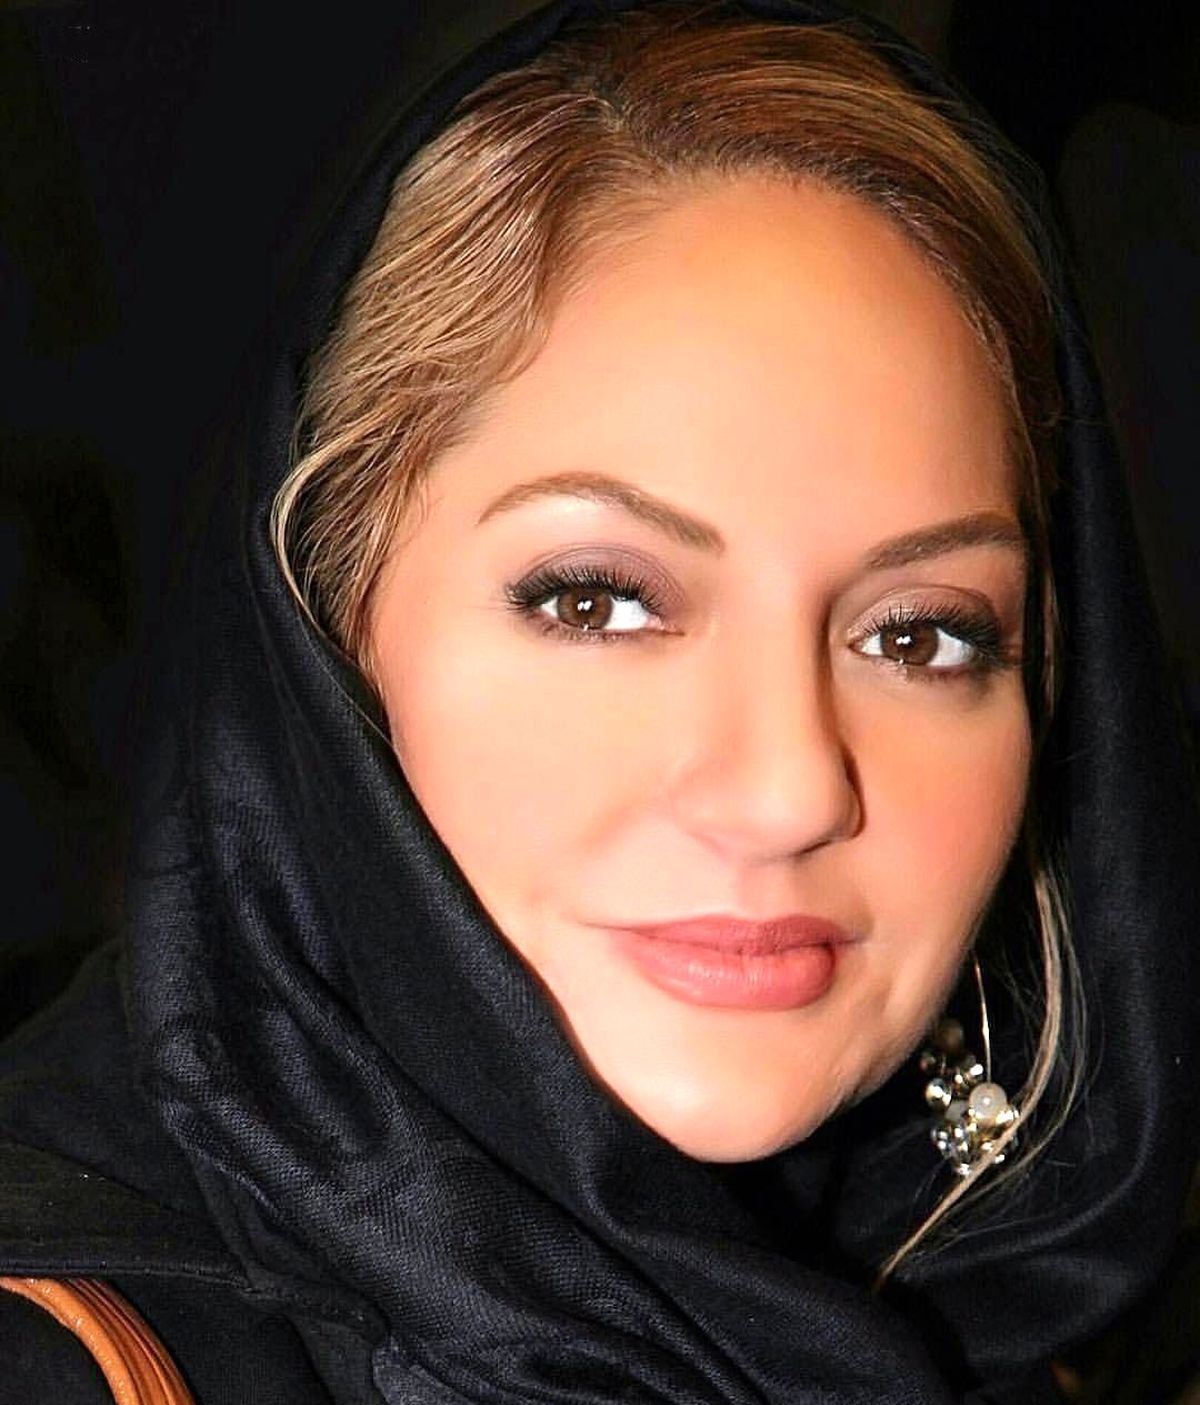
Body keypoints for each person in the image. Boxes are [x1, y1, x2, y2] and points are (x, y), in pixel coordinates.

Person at [1, 1, 1197, 1401]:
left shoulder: (1041, 1314)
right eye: (598, 601)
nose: (789, 788)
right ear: (323, 620)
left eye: (919, 633)